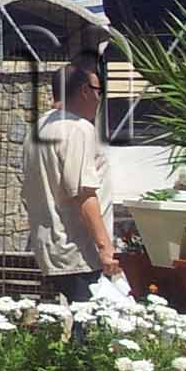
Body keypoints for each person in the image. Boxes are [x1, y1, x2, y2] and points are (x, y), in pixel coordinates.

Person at [21, 55, 122, 301]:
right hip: (79, 251)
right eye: (99, 90)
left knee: (81, 323)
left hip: (51, 246)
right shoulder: (78, 128)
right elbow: (83, 192)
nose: (100, 98)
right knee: (91, 328)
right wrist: (105, 248)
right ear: (84, 92)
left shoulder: (39, 128)